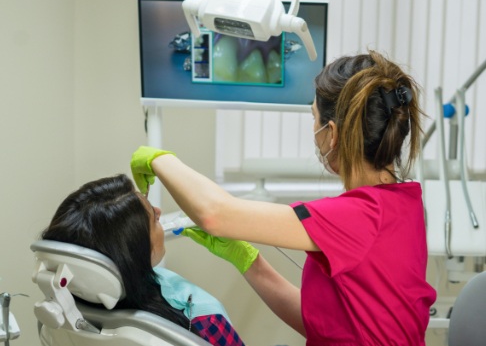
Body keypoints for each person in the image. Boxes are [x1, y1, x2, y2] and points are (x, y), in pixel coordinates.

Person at [131, 50, 437, 346]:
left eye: (314, 118)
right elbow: (328, 326)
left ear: (331, 133)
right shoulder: (403, 203)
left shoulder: (359, 216)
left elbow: (215, 214)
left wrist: (160, 159)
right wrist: (248, 261)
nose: (313, 130)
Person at [40, 174, 247, 346]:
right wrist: (250, 263)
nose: (159, 211)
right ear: (135, 251)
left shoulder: (68, 311)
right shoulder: (204, 318)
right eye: (152, 216)